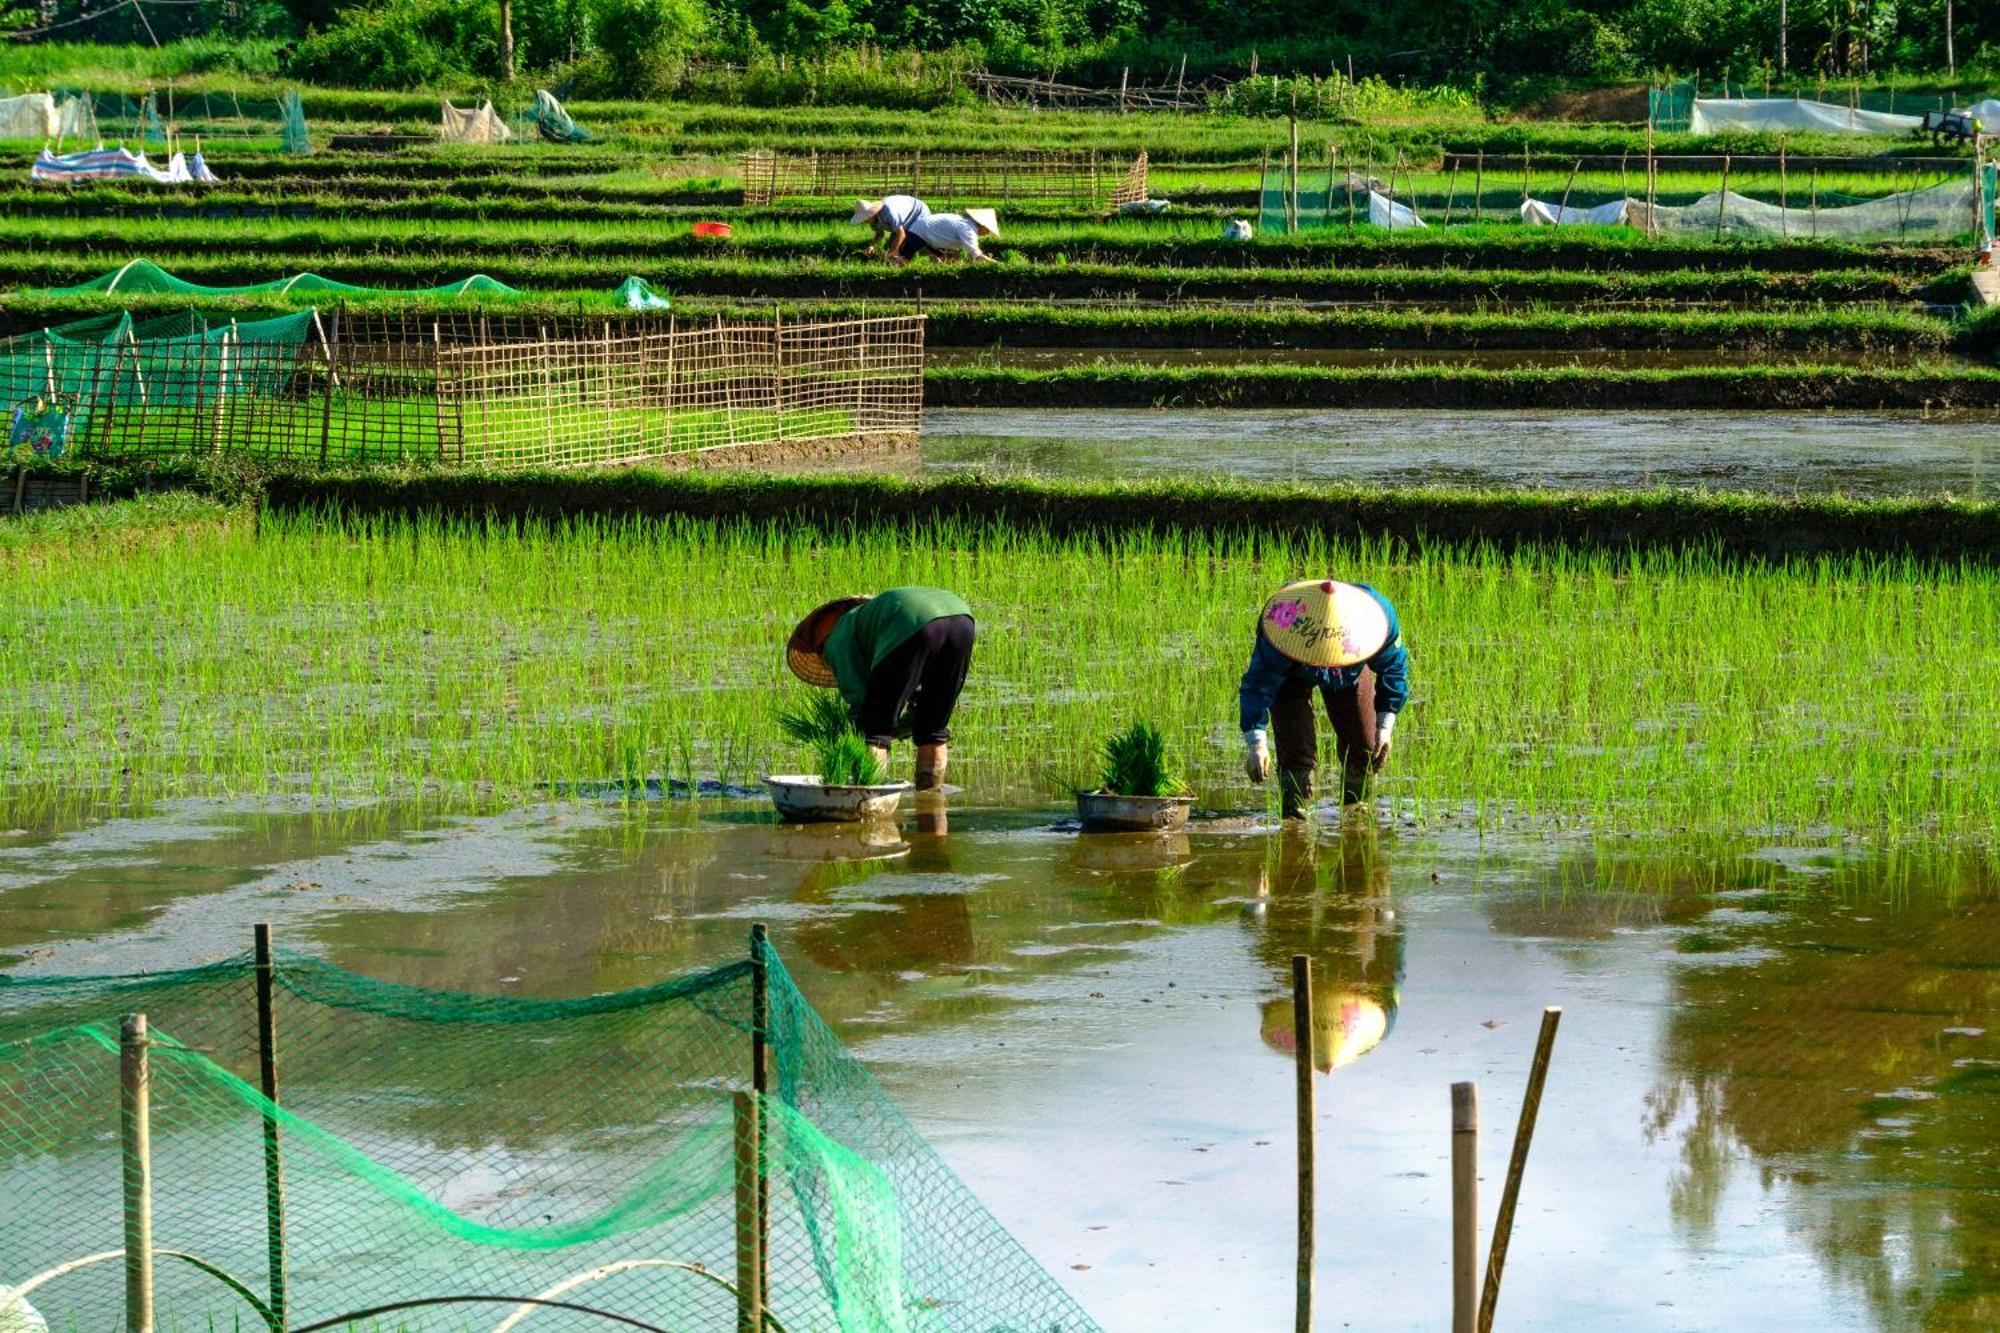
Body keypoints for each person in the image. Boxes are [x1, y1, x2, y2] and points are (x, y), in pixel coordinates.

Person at [1238, 579, 1409, 818]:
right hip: (1292, 672)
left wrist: (1385, 724)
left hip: (1350, 668)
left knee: (1366, 747)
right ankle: (1294, 816)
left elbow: (1394, 668)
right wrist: (1256, 743)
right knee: (1296, 751)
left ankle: (1354, 812)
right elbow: (1258, 684)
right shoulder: (1280, 625)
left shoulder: (1377, 616)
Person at [787, 587, 976, 791]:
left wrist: (853, 731)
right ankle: (930, 799)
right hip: (962, 620)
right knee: (932, 729)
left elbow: (860, 698)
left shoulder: (836, 638)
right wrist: (904, 722)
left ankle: (868, 802)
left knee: (874, 729)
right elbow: (909, 689)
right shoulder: (869, 623)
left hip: (909, 620)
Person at [852, 195, 933, 264]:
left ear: (871, 214)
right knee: (891, 249)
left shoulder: (888, 212)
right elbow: (880, 234)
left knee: (914, 241)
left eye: (865, 218)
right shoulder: (872, 220)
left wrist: (892, 252)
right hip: (902, 220)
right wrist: (872, 245)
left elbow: (901, 234)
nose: (864, 221)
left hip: (917, 212)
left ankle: (936, 256)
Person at [906, 207, 999, 263]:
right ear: (982, 225)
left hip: (921, 231)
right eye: (988, 229)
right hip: (920, 233)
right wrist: (997, 264)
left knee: (945, 260)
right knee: (902, 261)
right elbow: (976, 255)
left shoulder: (964, 223)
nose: (988, 233)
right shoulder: (968, 229)